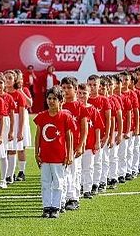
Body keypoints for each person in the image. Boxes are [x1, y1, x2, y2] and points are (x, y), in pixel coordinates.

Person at [34, 85, 74, 219]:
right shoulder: (41, 116)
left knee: (58, 182)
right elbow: (38, 135)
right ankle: (46, 207)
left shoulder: (65, 117)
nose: (51, 101)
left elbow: (69, 136)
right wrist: (36, 153)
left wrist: (69, 154)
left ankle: (56, 207)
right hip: (45, 157)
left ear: (60, 100)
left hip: (59, 157)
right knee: (45, 183)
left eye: (54, 99)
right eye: (49, 98)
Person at [60, 76, 86, 212]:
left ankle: (73, 198)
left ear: (76, 90)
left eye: (69, 88)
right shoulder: (59, 105)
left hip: (74, 145)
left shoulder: (80, 106)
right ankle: (62, 198)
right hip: (61, 145)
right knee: (62, 172)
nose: (66, 90)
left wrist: (81, 145)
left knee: (74, 171)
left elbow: (84, 128)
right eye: (63, 88)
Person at [77, 83, 102, 199]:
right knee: (78, 168)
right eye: (79, 93)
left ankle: (87, 189)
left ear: (89, 94)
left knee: (88, 167)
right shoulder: (75, 108)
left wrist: (97, 141)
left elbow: (97, 126)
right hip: (77, 145)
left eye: (84, 93)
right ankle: (79, 187)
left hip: (89, 144)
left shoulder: (93, 109)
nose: (82, 96)